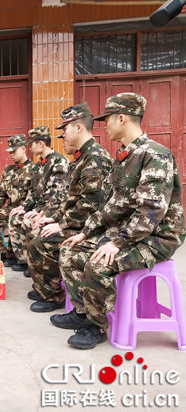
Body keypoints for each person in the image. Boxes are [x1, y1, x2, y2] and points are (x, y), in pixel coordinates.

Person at [55, 93, 186, 349]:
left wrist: (116, 242)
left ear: (122, 118)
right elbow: (111, 206)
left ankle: (96, 326)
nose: (104, 125)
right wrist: (85, 233)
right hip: (127, 233)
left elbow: (151, 211)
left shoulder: (155, 155)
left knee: (98, 263)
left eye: (108, 120)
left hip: (155, 237)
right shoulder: (124, 157)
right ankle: (83, 313)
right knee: (70, 251)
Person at [26, 104, 112, 313]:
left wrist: (61, 224)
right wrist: (52, 218)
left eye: (65, 129)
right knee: (38, 230)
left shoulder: (95, 157)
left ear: (79, 127)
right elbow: (69, 199)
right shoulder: (82, 157)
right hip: (79, 221)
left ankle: (54, 296)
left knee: (43, 241)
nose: (63, 135)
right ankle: (48, 288)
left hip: (90, 226)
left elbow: (90, 205)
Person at [8, 126, 68, 274]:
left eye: (31, 144)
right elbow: (32, 192)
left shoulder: (58, 161)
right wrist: (25, 207)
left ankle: (38, 265)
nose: (29, 148)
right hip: (39, 207)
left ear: (41, 144)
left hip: (52, 210)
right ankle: (25, 261)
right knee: (16, 217)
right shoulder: (38, 165)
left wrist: (40, 212)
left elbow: (56, 194)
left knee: (28, 222)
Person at [0, 134, 35, 267]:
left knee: (15, 219)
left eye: (14, 151)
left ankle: (21, 259)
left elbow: (36, 194)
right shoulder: (8, 171)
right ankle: (3, 253)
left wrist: (25, 208)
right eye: (9, 151)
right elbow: (2, 195)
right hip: (10, 208)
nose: (11, 154)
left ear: (23, 148)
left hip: (27, 209)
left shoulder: (34, 169)